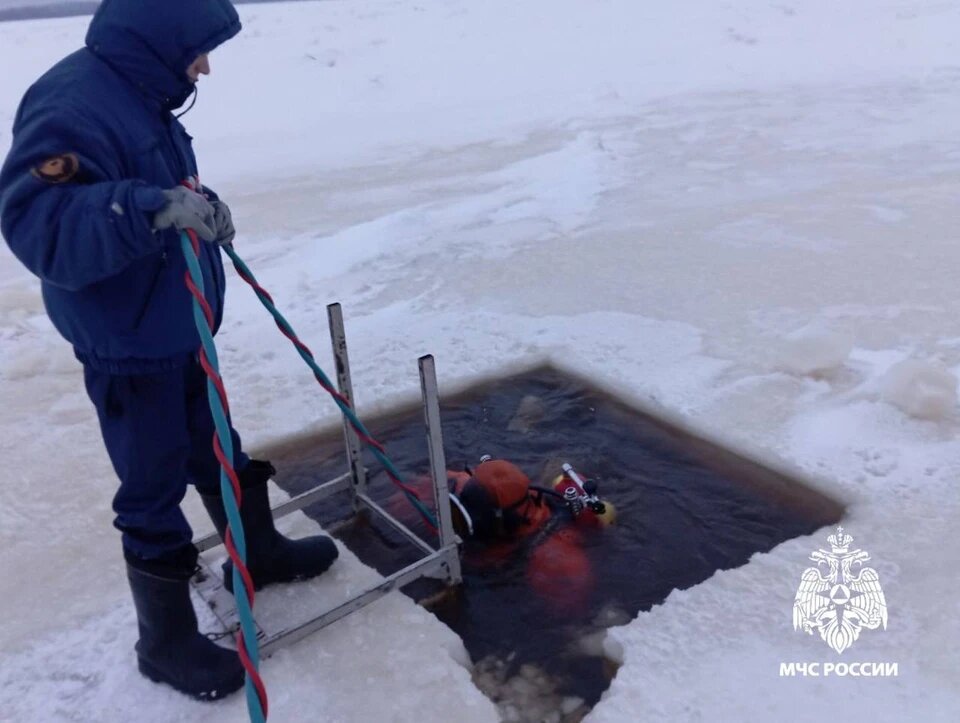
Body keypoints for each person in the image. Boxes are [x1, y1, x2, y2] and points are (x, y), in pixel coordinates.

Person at [0, 0, 337, 702]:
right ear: (157, 40)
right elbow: (39, 227)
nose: (204, 66)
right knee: (152, 482)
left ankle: (260, 550)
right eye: (197, 50)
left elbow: (156, 183)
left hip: (177, 322)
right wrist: (146, 208)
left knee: (216, 442)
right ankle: (165, 641)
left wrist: (198, 203)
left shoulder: (145, 93)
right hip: (128, 341)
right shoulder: (71, 104)